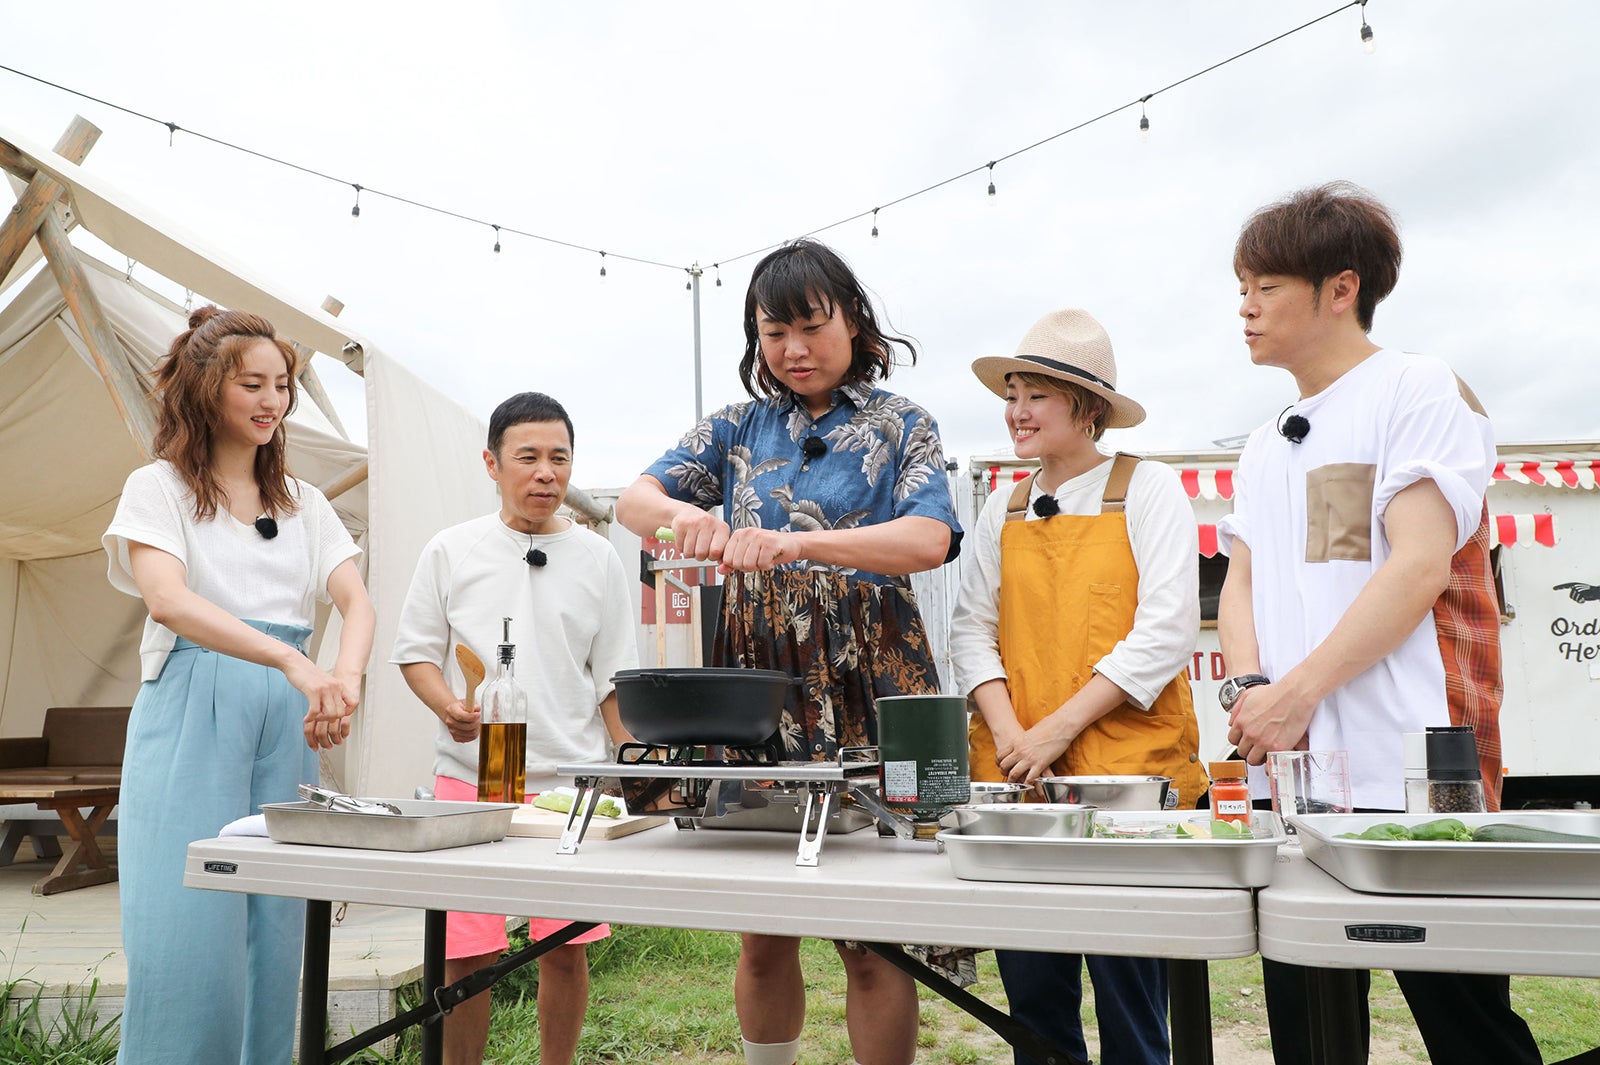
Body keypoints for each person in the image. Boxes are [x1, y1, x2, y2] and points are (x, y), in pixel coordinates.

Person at [615, 239, 962, 1065]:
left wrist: (803, 547)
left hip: (867, 679)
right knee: (763, 925)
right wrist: (682, 519)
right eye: (774, 333)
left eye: (811, 326)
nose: (794, 350)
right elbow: (635, 499)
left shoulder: (901, 421)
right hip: (758, 688)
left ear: (854, 321)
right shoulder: (736, 426)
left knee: (872, 934)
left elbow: (929, 535)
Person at [1216, 182, 1540, 1065]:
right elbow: (1239, 579)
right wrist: (1254, 692)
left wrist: (1296, 692)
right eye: (1240, 287)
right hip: (1300, 776)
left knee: (1466, 1021)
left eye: (1264, 286)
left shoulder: (1416, 388)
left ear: (1341, 288)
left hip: (1419, 771)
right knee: (1310, 1025)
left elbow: (1418, 563)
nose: (1243, 307)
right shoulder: (1259, 441)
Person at [103, 306, 375, 1065]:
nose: (271, 400)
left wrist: (340, 679)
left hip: (288, 709)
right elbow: (169, 599)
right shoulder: (155, 488)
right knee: (186, 928)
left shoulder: (303, 501)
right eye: (250, 383)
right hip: (195, 696)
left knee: (274, 926)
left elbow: (355, 599)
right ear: (204, 389)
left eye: (281, 384)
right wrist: (292, 662)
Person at [949, 308, 1207, 1065]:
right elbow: (971, 630)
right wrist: (1008, 735)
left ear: (1089, 407)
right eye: (1012, 393)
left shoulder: (1149, 489)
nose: (1016, 411)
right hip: (1019, 780)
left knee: (1131, 997)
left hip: (1125, 787)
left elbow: (1165, 630)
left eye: (1036, 395)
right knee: (1033, 1002)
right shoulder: (1004, 504)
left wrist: (1056, 729)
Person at [391, 391, 637, 1065]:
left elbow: (614, 678)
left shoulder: (598, 558)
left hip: (570, 785)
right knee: (468, 949)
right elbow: (416, 651)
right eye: (527, 456)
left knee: (565, 946)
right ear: (492, 463)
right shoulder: (452, 549)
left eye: (559, 458)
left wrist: (639, 769)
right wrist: (448, 704)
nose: (545, 473)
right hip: (469, 779)